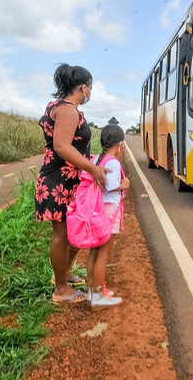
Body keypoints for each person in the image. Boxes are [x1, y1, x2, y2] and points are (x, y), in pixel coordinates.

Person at [35, 63, 109, 304]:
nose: (91, 92)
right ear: (83, 87)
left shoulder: (59, 106)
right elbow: (62, 146)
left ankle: (64, 275)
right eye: (91, 88)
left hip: (67, 180)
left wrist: (92, 163)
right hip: (60, 181)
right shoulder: (68, 110)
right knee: (63, 235)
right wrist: (92, 168)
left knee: (74, 230)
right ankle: (60, 290)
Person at [86, 124, 129, 311]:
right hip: (108, 211)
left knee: (94, 252)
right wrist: (124, 184)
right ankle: (98, 296)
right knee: (104, 252)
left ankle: (91, 292)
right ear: (119, 145)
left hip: (94, 209)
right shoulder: (113, 162)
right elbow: (110, 186)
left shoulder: (95, 159)